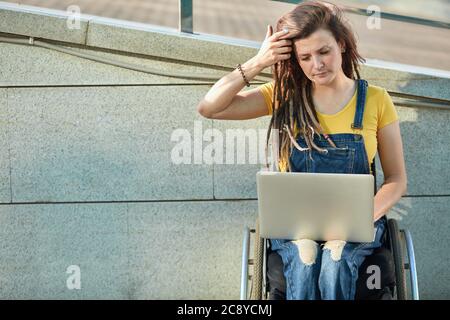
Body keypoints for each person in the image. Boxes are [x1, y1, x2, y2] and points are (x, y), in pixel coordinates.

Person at [197, 0, 407, 300]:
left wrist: (359, 219)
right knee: (305, 260)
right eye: (305, 57)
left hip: (358, 226)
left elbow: (397, 179)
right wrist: (258, 62)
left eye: (324, 52)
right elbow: (209, 107)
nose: (317, 65)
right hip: (296, 229)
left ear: (342, 45)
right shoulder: (283, 96)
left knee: (336, 262)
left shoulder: (376, 99)